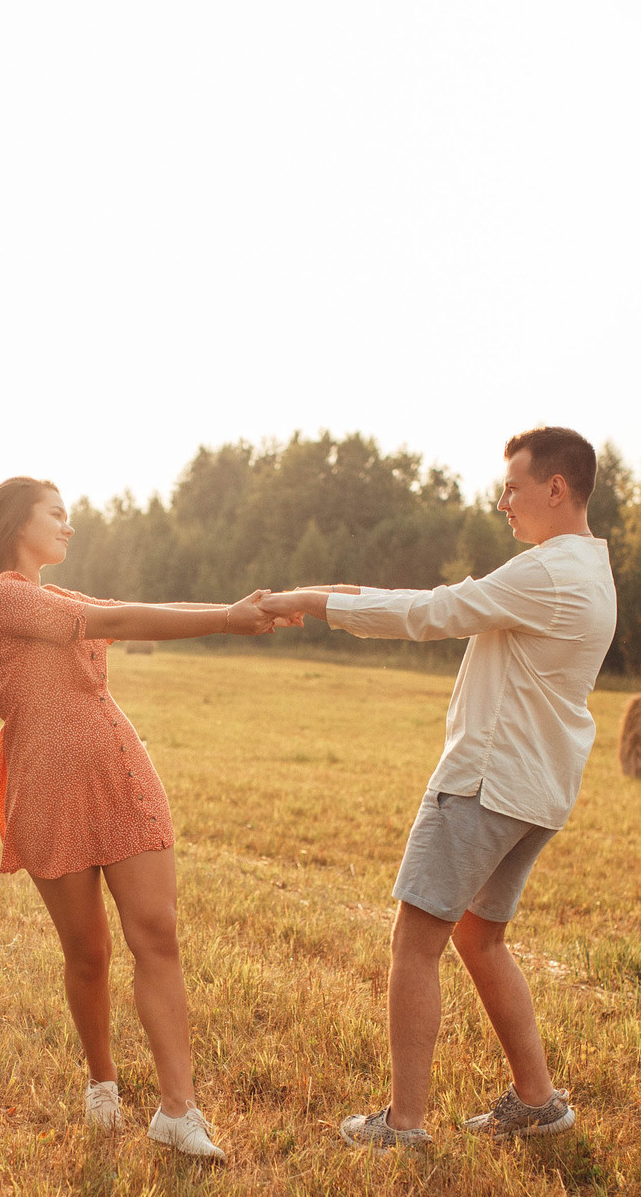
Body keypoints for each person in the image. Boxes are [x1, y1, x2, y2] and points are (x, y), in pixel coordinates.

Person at [260, 427, 617, 1147]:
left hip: (486, 782)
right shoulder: (587, 571)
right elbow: (438, 599)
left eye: (512, 486)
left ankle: (404, 1124)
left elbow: (430, 612)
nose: (501, 500)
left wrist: (316, 603)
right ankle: (538, 1102)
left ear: (555, 487)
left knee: (416, 941)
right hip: (537, 790)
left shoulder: (545, 573)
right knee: (482, 937)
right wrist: (322, 592)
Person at [0, 476, 290, 1160]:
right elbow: (121, 621)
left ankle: (178, 1110)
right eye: (58, 514)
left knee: (156, 932)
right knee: (89, 952)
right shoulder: (4, 597)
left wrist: (233, 608)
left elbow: (133, 608)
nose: (69, 526)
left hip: (118, 771)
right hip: (48, 791)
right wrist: (227, 617)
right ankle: (102, 1082)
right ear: (19, 522)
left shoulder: (52, 597)